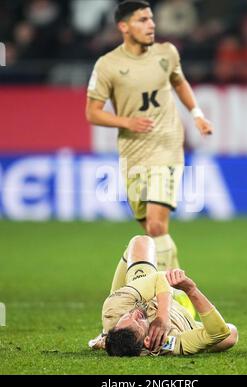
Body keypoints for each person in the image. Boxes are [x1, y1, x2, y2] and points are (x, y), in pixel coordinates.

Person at [86, 0, 213, 314]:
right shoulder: (108, 65)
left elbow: (180, 82)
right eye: (143, 20)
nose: (151, 24)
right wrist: (126, 122)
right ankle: (167, 292)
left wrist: (196, 114)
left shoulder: (166, 53)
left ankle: (172, 299)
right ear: (124, 27)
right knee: (150, 234)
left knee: (156, 226)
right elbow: (92, 112)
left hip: (167, 146)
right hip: (132, 153)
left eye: (152, 18)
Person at [88, 235, 238, 356]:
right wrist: (191, 290)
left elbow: (160, 278)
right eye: (138, 320)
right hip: (184, 322)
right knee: (230, 335)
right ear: (147, 341)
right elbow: (220, 333)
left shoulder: (116, 308)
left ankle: (105, 337)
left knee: (142, 242)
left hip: (146, 296)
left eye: (126, 317)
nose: (134, 313)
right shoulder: (166, 344)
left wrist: (163, 317)